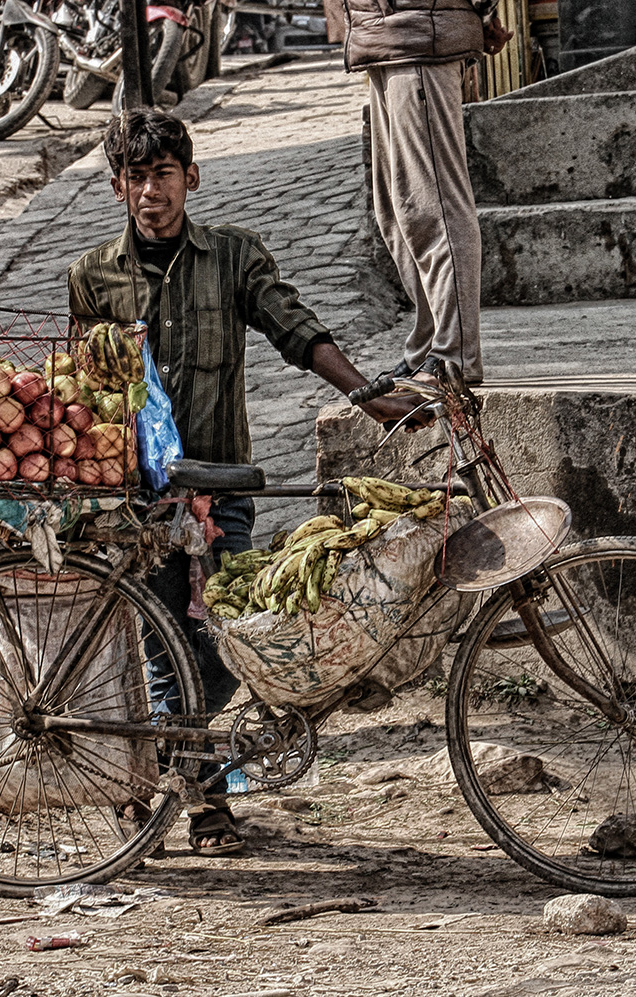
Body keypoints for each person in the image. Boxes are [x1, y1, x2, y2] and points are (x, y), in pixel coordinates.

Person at [68, 109, 423, 854]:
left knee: (226, 642)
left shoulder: (232, 257)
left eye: (163, 175)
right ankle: (202, 806)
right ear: (116, 187)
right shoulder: (92, 277)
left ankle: (168, 780)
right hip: (143, 499)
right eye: (136, 178)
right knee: (167, 648)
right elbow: (83, 391)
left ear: (190, 177)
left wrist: (366, 394)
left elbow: (293, 326)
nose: (151, 193)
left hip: (223, 483)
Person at [342, 0, 513, 386]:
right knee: (396, 213)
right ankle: (429, 350)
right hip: (388, 40)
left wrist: (482, 11)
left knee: (433, 208)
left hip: (419, 39)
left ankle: (453, 355)